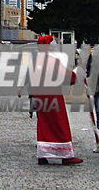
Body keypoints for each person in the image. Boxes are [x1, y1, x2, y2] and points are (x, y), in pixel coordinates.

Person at [24, 35, 83, 165]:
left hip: (40, 98)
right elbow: (67, 77)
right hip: (53, 97)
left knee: (44, 125)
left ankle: (43, 154)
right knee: (59, 124)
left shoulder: (36, 60)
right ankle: (66, 155)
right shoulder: (51, 61)